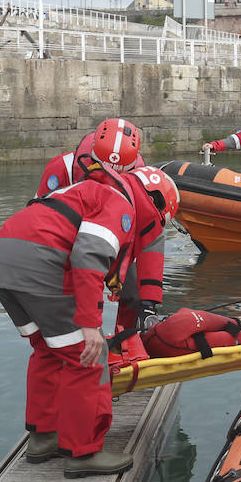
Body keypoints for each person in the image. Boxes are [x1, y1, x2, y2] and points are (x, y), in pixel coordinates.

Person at [0, 165, 179, 477]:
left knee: (48, 351)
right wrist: (90, 326)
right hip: (41, 261)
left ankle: (43, 437)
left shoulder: (91, 190)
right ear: (156, 204)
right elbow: (88, 257)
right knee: (89, 356)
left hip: (5, 258)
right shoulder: (122, 204)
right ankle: (83, 452)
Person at [37, 119, 163, 337]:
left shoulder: (142, 179)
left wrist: (150, 301)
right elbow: (38, 219)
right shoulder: (63, 168)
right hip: (68, 240)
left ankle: (127, 341)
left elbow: (152, 236)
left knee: (135, 296)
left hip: (115, 239)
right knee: (67, 297)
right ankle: (74, 345)